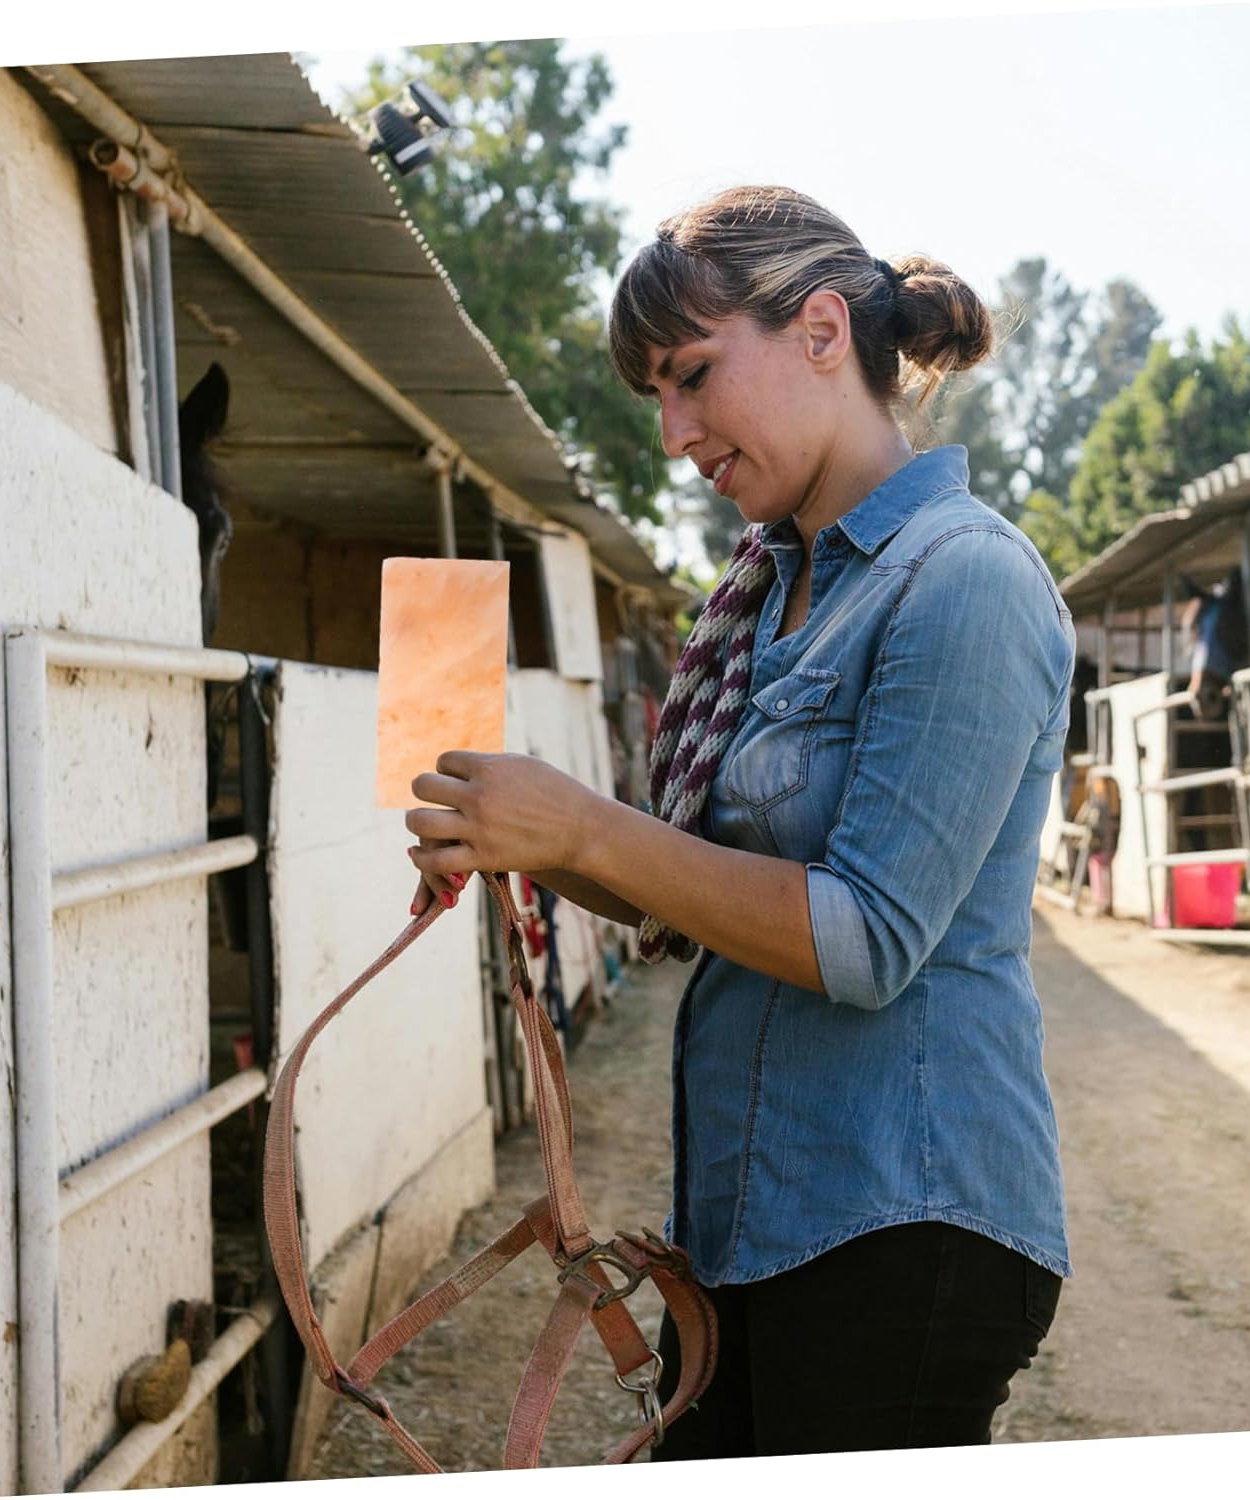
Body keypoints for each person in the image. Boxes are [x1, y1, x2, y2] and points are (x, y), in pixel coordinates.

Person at [406, 184, 1074, 1457]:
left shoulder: (965, 582)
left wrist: (589, 833)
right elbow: (707, 879)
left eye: (695, 376)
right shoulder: (776, 592)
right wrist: (530, 834)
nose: (674, 434)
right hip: (756, 1218)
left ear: (824, 330)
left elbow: (865, 938)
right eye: (659, 394)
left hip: (903, 1222)